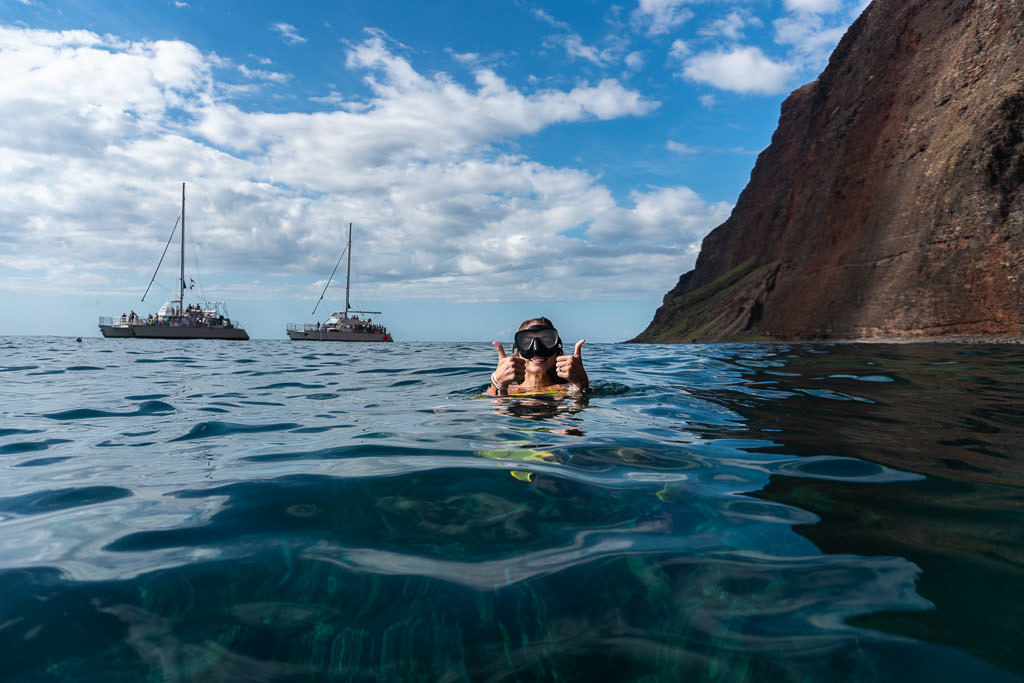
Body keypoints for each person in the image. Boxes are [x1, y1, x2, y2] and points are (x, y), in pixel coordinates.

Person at [487, 317, 589, 396]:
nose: (537, 349)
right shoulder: (507, 389)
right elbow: (498, 417)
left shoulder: (569, 389)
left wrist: (581, 384)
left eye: (547, 341)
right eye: (527, 343)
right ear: (518, 352)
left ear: (557, 350)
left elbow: (576, 415)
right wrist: (498, 384)